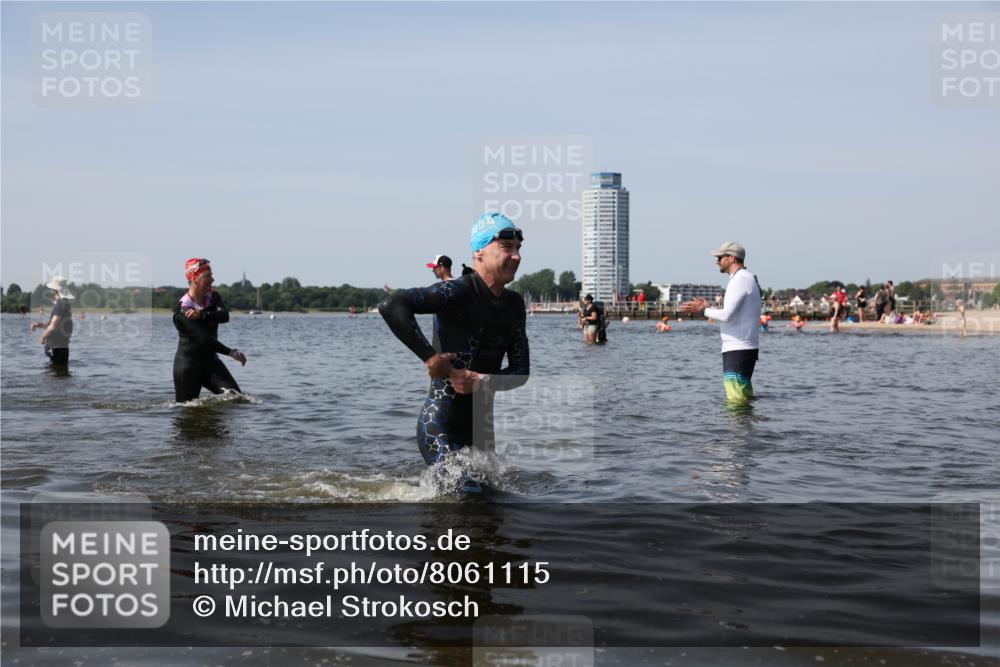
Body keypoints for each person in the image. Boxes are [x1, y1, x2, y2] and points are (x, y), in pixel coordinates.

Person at [378, 212, 530, 491]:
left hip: (482, 432)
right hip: (440, 425)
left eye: (519, 249)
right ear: (479, 252)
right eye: (507, 248)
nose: (516, 256)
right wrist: (431, 358)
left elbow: (521, 372)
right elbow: (392, 305)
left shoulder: (513, 304)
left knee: (493, 509)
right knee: (468, 494)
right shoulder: (455, 292)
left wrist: (482, 380)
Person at [681, 241, 761, 404]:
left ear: (731, 258)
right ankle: (746, 429)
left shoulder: (740, 279)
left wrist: (703, 310)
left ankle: (738, 429)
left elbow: (726, 316)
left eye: (720, 257)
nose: (716, 261)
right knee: (742, 398)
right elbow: (731, 313)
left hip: (739, 347)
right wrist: (709, 307)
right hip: (740, 347)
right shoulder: (743, 278)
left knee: (736, 401)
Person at [172, 258, 247, 402]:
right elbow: (204, 339)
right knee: (186, 411)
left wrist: (201, 314)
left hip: (211, 364)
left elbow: (224, 316)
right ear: (194, 278)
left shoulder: (213, 297)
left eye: (211, 275)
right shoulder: (183, 310)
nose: (212, 279)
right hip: (188, 368)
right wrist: (231, 352)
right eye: (208, 276)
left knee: (237, 399)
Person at [31, 276, 75, 366]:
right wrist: (39, 325)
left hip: (56, 346)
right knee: (61, 373)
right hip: (63, 346)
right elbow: (53, 324)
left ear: (54, 289)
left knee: (53, 375)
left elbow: (53, 325)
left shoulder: (60, 304)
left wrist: (42, 337)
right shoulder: (65, 304)